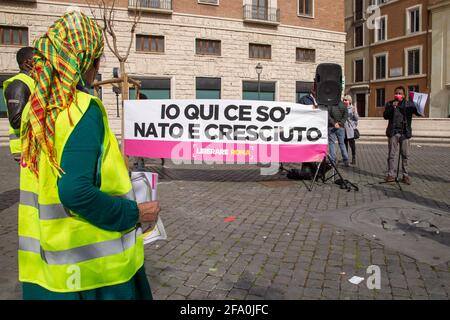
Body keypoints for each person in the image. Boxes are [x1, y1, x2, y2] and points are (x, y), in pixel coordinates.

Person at [18, 11, 160, 300]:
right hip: (95, 277)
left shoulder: (38, 109)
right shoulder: (82, 109)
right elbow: (74, 191)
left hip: (46, 271)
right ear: (87, 62)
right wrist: (136, 212)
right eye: (98, 59)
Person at [383, 86, 422, 184]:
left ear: (404, 95)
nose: (398, 95)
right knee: (391, 155)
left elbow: (417, 112)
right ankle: (390, 174)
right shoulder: (390, 104)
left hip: (405, 133)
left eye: (400, 93)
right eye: (396, 93)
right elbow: (385, 116)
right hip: (393, 132)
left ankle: (405, 175)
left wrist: (421, 111)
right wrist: (393, 107)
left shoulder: (409, 105)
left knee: (405, 155)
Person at [3, 47, 35, 160]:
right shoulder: (19, 84)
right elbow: (16, 120)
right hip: (24, 148)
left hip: (33, 146)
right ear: (27, 62)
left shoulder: (32, 81)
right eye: (38, 60)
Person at [328, 100, 349, 167]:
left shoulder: (330, 104)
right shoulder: (343, 105)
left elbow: (328, 116)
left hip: (331, 126)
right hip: (341, 127)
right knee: (342, 143)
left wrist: (334, 123)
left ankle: (333, 161)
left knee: (332, 143)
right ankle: (346, 160)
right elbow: (345, 116)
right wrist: (340, 123)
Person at [343, 95, 359, 165]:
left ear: (349, 101)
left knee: (352, 145)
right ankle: (346, 159)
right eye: (344, 100)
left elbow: (356, 118)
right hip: (343, 129)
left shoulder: (353, 108)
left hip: (350, 130)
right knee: (345, 144)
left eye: (346, 100)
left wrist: (353, 113)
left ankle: (353, 158)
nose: (344, 101)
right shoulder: (342, 108)